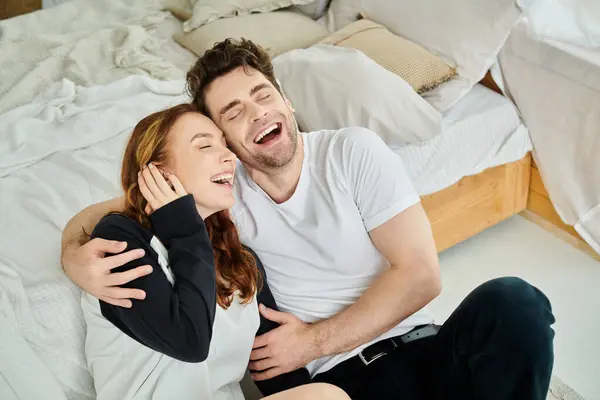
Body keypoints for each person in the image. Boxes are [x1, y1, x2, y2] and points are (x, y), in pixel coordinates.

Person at [62, 39, 556, 400]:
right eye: (232, 113)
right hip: (341, 386)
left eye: (262, 94)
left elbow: (422, 276)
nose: (256, 113)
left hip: (425, 350)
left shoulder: (351, 151)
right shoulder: (225, 192)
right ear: (226, 143)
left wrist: (311, 341)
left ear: (286, 102)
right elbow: (129, 202)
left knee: (515, 302)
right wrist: (72, 252)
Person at [76, 103, 349, 400]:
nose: (229, 156)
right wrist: (184, 228)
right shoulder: (120, 238)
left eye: (225, 145)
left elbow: (278, 371)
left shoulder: (241, 263)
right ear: (159, 171)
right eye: (205, 146)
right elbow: (189, 342)